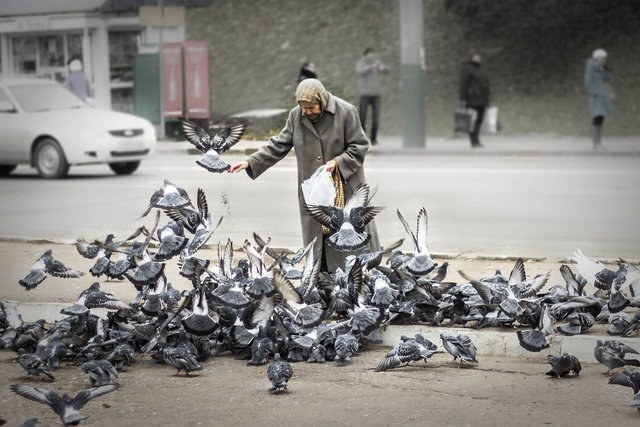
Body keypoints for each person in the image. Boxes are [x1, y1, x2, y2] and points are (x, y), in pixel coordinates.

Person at [229, 78, 380, 273]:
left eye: (311, 107)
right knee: (319, 242)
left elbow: (359, 145)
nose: (307, 112)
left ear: (322, 101)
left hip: (345, 187)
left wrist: (338, 162)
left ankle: (355, 280)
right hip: (315, 191)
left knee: (347, 238)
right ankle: (324, 281)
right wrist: (250, 162)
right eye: (303, 108)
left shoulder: (346, 112)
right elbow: (278, 144)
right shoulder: (296, 116)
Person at [356, 48, 389, 145]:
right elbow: (360, 71)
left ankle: (373, 139)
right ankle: (362, 138)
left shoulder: (377, 63)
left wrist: (383, 68)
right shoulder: (360, 63)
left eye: (373, 54)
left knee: (376, 118)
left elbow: (386, 70)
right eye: (370, 54)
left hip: (376, 94)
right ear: (365, 55)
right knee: (362, 117)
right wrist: (371, 67)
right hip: (364, 94)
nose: (372, 56)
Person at [459, 52, 490, 148]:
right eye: (476, 57)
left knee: (479, 120)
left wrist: (487, 99)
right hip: (472, 98)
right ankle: (473, 141)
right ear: (471, 58)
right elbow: (463, 83)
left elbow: (485, 84)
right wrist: (463, 98)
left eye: (479, 57)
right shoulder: (467, 68)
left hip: (481, 98)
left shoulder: (479, 68)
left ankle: (477, 140)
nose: (478, 59)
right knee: (472, 120)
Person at [584, 48, 613, 150]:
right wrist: (593, 93)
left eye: (604, 58)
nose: (603, 60)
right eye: (601, 58)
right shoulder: (591, 67)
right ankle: (595, 143)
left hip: (603, 96)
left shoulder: (602, 68)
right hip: (596, 96)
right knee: (596, 118)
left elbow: (606, 79)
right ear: (596, 58)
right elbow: (588, 82)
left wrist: (606, 70)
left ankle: (599, 142)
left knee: (601, 119)